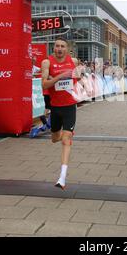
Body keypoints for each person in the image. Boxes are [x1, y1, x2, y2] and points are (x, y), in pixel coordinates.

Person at [41, 38, 81, 190]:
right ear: (54, 48)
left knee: (66, 140)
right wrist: (59, 77)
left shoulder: (74, 61)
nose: (59, 48)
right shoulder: (47, 62)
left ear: (67, 48)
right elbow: (44, 84)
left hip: (70, 105)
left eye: (62, 46)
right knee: (55, 138)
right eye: (57, 46)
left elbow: (77, 78)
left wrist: (77, 76)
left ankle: (62, 178)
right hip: (55, 107)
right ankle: (65, 133)